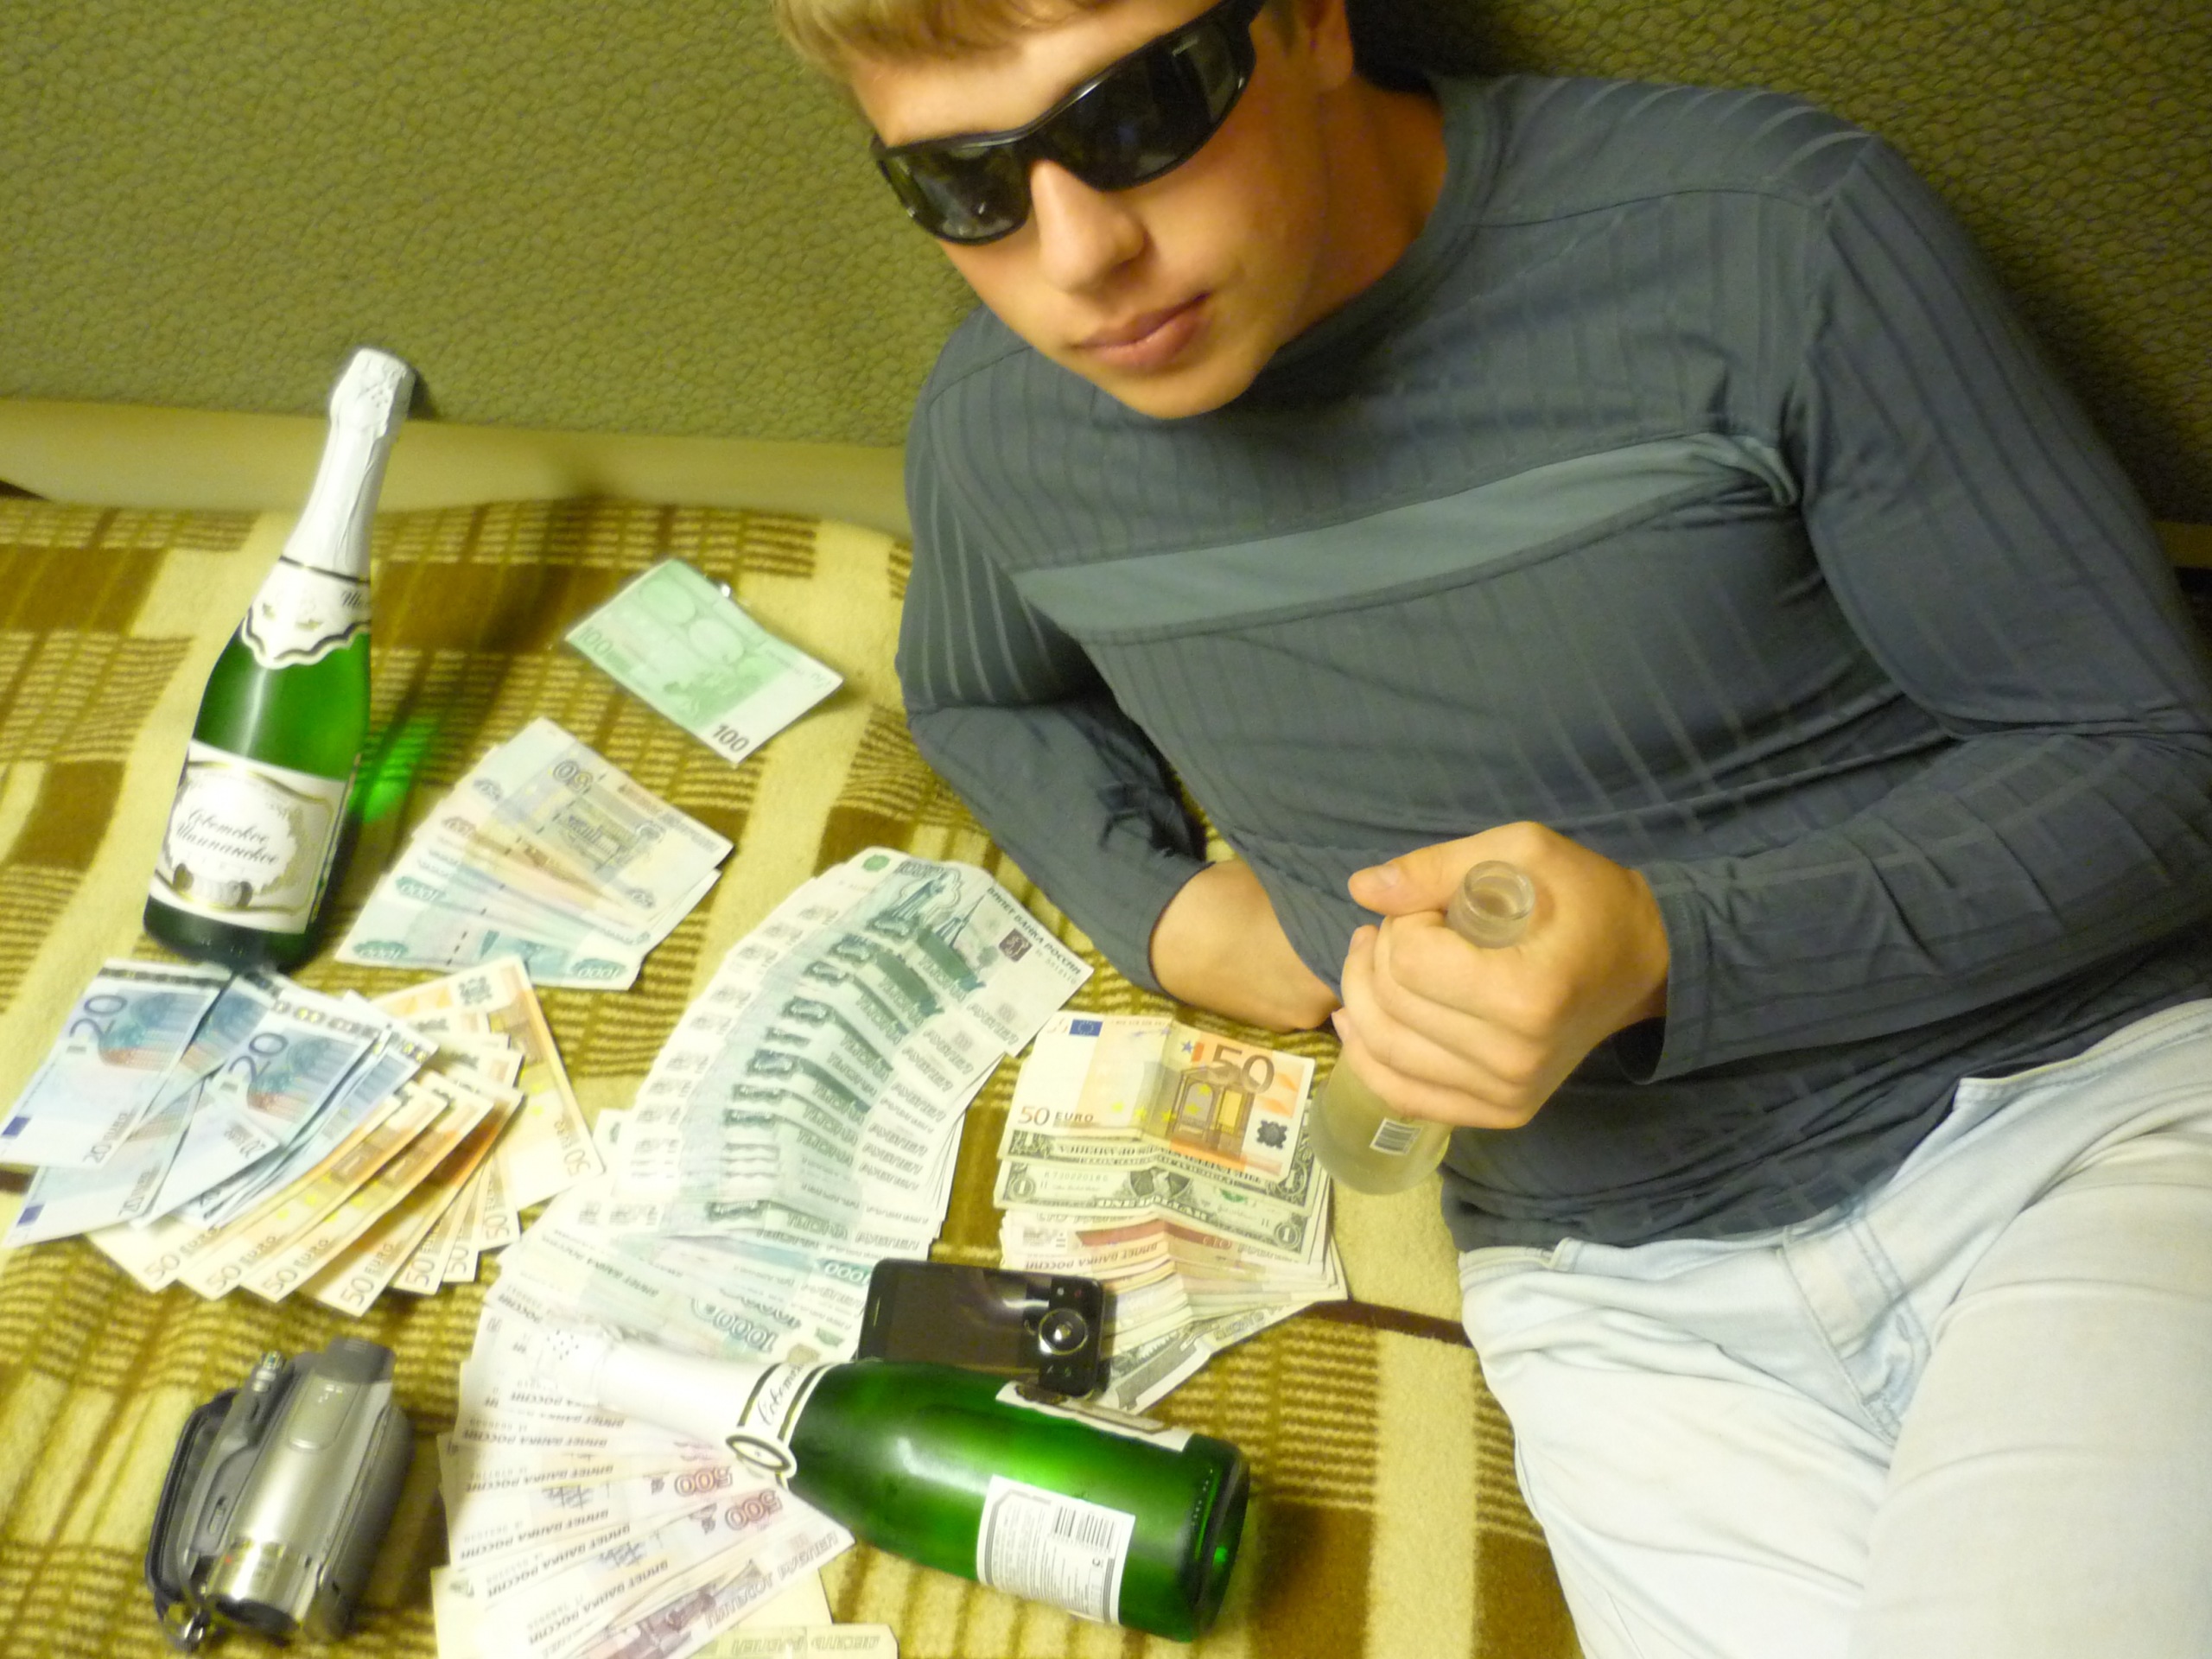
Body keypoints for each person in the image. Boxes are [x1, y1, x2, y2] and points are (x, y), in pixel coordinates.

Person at [772, 0, 2212, 1652]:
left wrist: (1672, 954)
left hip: (2065, 1120)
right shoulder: (999, 433)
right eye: (967, 184)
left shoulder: (1766, 233)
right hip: (1611, 1287)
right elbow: (980, 700)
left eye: (1141, 114)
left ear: (1311, 23)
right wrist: (1170, 912)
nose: (1078, 255)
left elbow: (2157, 762)